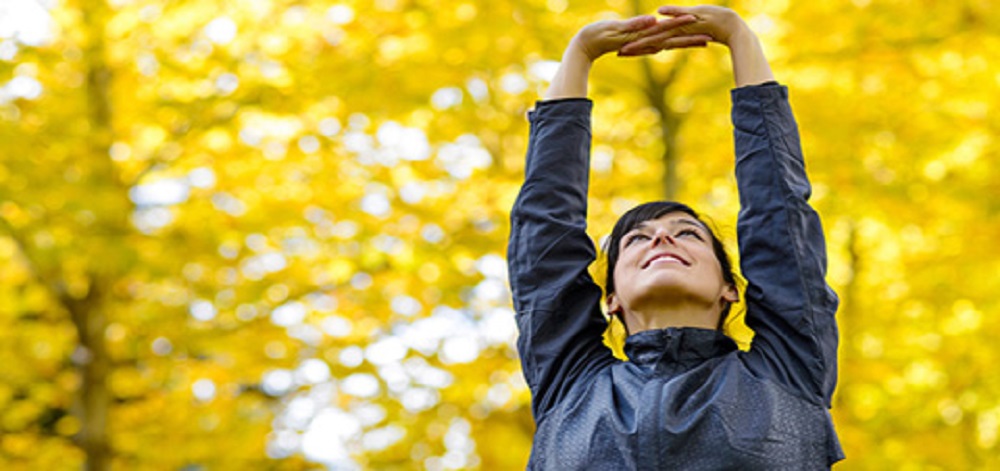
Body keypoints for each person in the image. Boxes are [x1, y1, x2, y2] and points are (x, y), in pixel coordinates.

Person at [507, 5, 843, 469]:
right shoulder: (572, 386)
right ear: (611, 300)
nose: (662, 240)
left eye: (687, 234)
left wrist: (738, 37)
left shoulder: (786, 370)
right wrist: (579, 55)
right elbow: (543, 235)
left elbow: (779, 212)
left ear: (730, 287)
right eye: (637, 240)